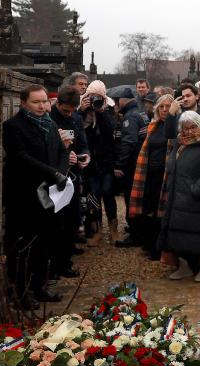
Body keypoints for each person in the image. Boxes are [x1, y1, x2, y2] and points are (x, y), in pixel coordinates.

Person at [2, 84, 69, 306]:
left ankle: (39, 287)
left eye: (44, 101)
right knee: (23, 245)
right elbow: (20, 157)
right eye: (36, 102)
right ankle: (20, 292)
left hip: (49, 194)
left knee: (44, 243)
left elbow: (61, 150)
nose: (42, 106)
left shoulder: (50, 124)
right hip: (24, 195)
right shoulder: (13, 127)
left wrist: (61, 172)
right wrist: (52, 173)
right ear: (23, 103)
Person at [159, 111, 200, 282]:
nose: (188, 131)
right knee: (178, 236)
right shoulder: (180, 143)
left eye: (193, 127)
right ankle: (184, 266)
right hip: (176, 198)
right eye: (185, 128)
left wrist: (196, 190)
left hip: (198, 200)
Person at [50, 86, 91, 277]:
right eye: (65, 110)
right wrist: (65, 154)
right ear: (57, 103)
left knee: (72, 220)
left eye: (72, 110)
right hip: (54, 178)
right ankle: (54, 264)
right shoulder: (49, 118)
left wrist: (85, 156)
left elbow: (82, 143)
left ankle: (64, 262)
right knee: (57, 223)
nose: (69, 114)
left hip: (73, 176)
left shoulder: (76, 118)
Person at [128, 94, 174, 261]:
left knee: (161, 213)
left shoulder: (174, 127)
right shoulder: (153, 126)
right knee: (149, 210)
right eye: (161, 107)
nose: (164, 110)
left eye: (168, 107)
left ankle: (159, 249)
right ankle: (150, 244)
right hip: (150, 175)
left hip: (165, 175)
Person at [80, 80, 119, 245]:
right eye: (92, 97)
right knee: (92, 195)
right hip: (89, 162)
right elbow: (77, 129)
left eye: (98, 97)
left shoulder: (109, 110)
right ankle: (97, 230)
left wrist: (101, 111)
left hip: (107, 161)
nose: (95, 100)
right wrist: (82, 110)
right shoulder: (81, 111)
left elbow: (111, 130)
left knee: (108, 192)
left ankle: (113, 229)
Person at [113, 88, 150, 247]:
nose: (115, 104)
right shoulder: (140, 112)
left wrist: (120, 164)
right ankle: (139, 231)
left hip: (132, 164)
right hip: (141, 162)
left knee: (131, 197)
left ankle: (135, 235)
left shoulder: (130, 117)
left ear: (123, 100)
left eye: (117, 100)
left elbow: (129, 142)